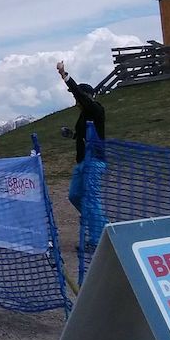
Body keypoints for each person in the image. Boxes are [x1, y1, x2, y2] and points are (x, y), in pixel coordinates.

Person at [57, 61, 107, 248]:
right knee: (75, 195)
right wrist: (72, 134)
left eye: (77, 97)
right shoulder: (85, 114)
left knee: (91, 199)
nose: (75, 100)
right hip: (83, 161)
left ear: (85, 97)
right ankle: (100, 224)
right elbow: (86, 134)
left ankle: (98, 240)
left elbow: (79, 94)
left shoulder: (95, 109)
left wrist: (65, 76)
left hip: (94, 161)